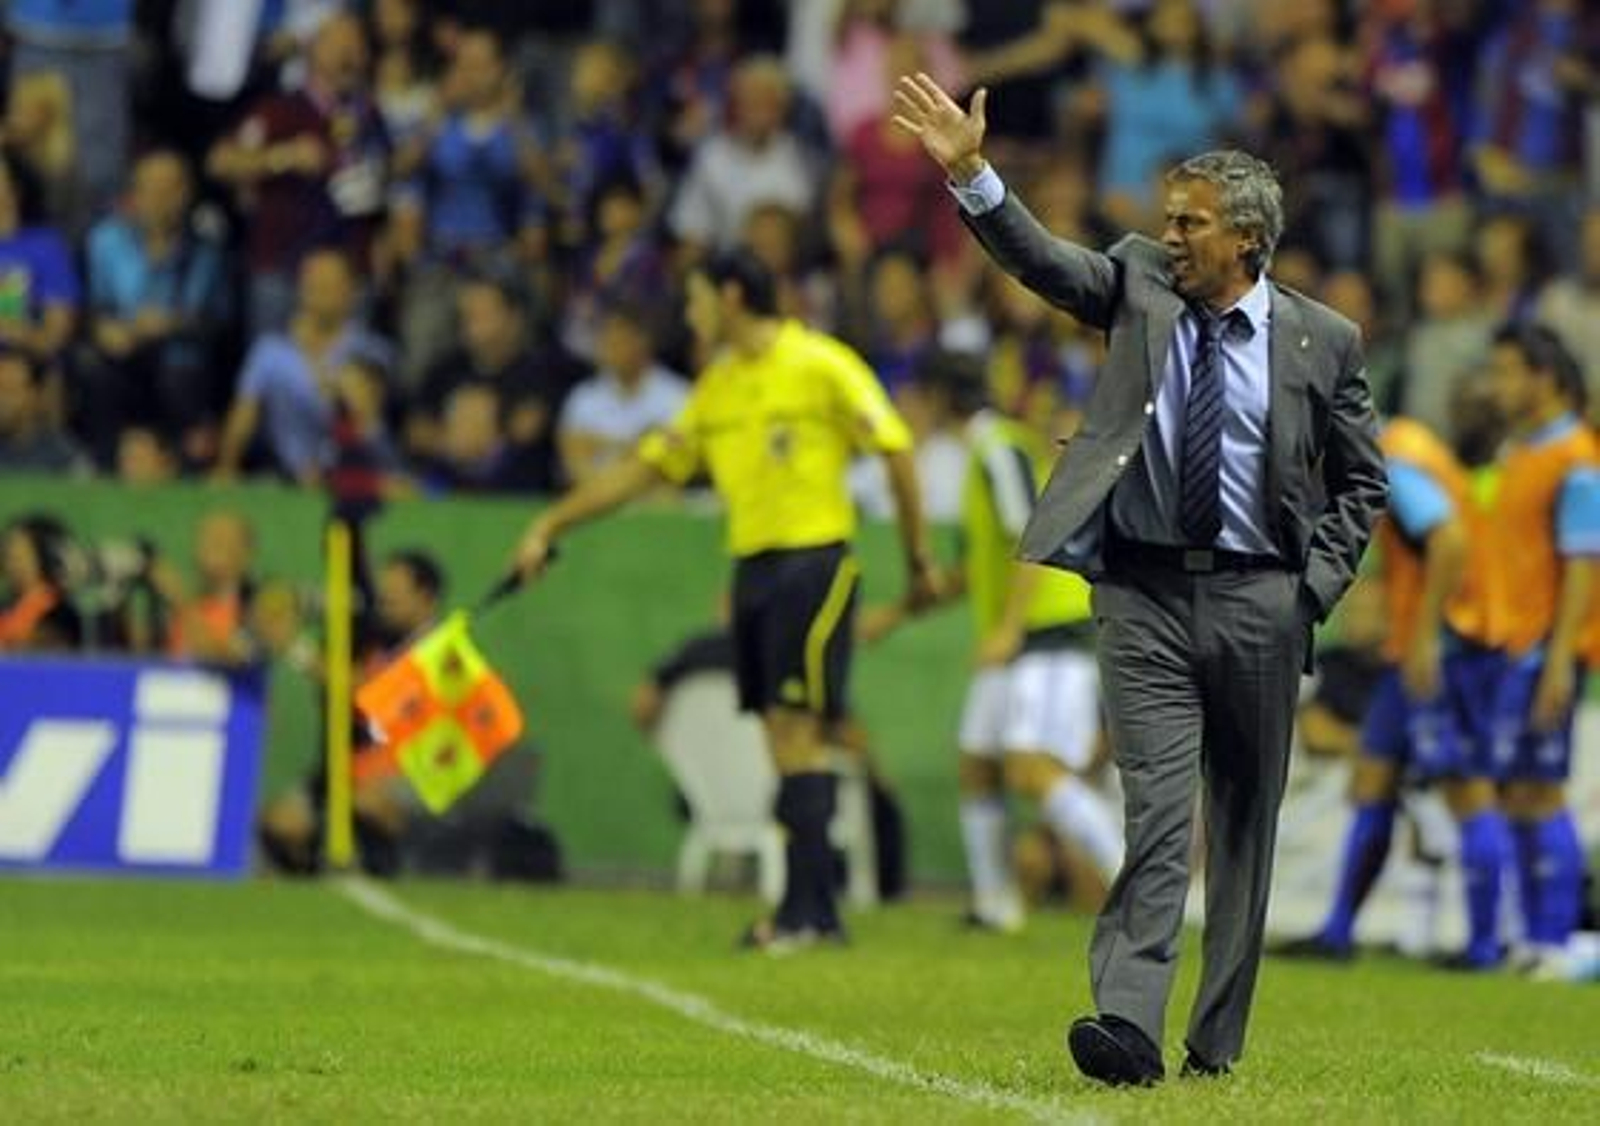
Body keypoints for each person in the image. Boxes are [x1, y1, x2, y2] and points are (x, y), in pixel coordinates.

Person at [892, 74, 1386, 1083]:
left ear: (1246, 238)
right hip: (1142, 594)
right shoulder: (1135, 284)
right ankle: (1125, 1021)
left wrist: (1306, 595)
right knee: (1157, 810)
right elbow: (1044, 264)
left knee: (1243, 824)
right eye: (1166, 218)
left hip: (1260, 596)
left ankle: (1216, 1040)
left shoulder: (1320, 342)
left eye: (1190, 223)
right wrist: (974, 174)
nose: (1168, 235)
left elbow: (1361, 483)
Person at [511, 249, 939, 950]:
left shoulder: (820, 363)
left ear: (733, 296)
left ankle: (808, 911)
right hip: (752, 568)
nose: (691, 313)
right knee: (779, 732)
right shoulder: (719, 384)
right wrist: (550, 523)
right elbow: (645, 469)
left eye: (698, 299)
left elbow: (893, 447)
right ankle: (812, 911)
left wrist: (919, 555)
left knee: (797, 728)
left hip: (814, 559)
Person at [861, 349, 1121, 931]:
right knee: (978, 761)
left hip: (1048, 629)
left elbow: (1033, 535)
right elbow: (974, 570)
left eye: (909, 397)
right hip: (1020, 633)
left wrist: (1007, 629)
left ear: (933, 397)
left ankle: (1137, 884)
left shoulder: (999, 448)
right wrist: (896, 615)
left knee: (1032, 770)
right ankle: (994, 904)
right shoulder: (983, 453)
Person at [1273, 417, 1511, 969]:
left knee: (1466, 789)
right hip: (1414, 648)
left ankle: (1483, 948)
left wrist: (1427, 633)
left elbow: (1448, 541)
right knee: (1373, 777)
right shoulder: (1404, 448)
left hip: (1450, 649)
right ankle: (1336, 932)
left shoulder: (1397, 463)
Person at [1480, 324, 1600, 966]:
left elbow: (1584, 566)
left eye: (1507, 372)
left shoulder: (1576, 460)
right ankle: (1531, 936)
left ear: (1544, 379)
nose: (1497, 387)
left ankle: (1555, 941)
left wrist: (1559, 660)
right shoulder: (1521, 451)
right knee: (1515, 791)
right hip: (1509, 645)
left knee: (1541, 792)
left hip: (1544, 651)